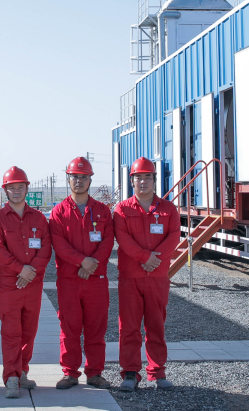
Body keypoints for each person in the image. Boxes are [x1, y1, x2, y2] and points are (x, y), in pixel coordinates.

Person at [47, 157, 115, 389]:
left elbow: (108, 240)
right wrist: (82, 262)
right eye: (75, 177)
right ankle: (70, 373)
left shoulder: (102, 211)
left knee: (96, 327)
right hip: (69, 280)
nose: (79, 181)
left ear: (90, 180)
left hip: (96, 279)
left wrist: (92, 264)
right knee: (70, 328)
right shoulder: (59, 212)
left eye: (83, 177)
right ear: (68, 179)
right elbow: (59, 243)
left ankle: (95, 373)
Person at [113, 158, 180, 392]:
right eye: (138, 177)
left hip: (157, 277)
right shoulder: (122, 209)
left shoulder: (168, 209)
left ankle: (157, 371)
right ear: (131, 181)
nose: (143, 182)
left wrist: (155, 259)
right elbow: (123, 239)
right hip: (130, 277)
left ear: (154, 180)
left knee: (156, 325)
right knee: (129, 327)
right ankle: (130, 373)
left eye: (147, 177)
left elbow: (174, 236)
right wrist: (145, 258)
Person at [0, 166, 53, 399]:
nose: (16, 191)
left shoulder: (38, 218)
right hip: (9, 284)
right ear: (5, 190)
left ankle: (22, 371)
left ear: (27, 189)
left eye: (20, 187)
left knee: (29, 331)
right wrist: (20, 270)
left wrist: (31, 272)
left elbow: (46, 248)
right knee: (11, 332)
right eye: (12, 188)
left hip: (32, 283)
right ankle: (11, 378)